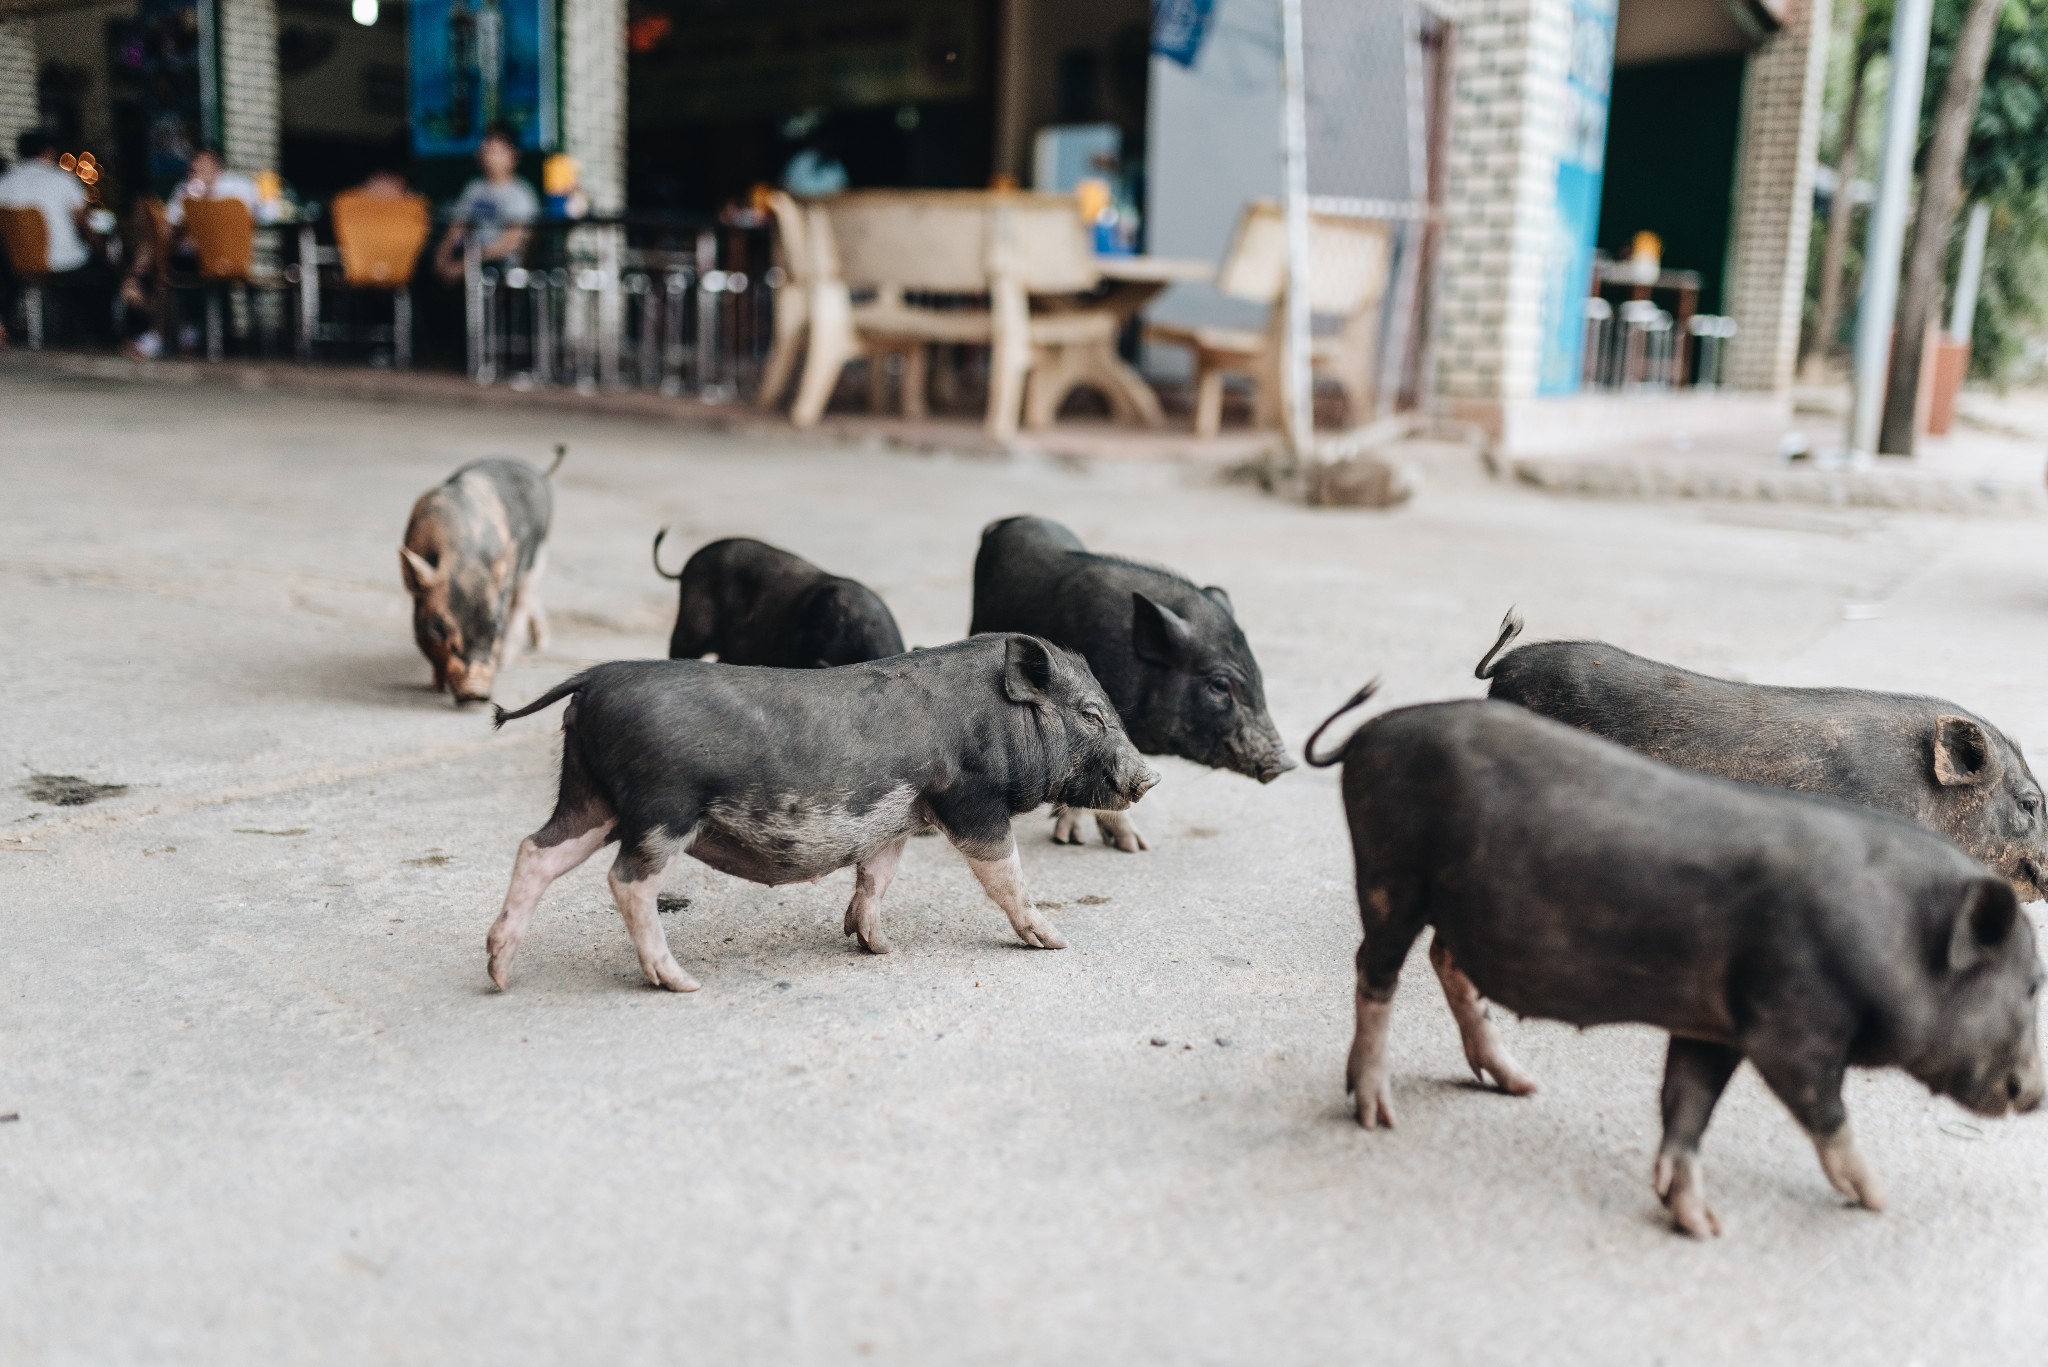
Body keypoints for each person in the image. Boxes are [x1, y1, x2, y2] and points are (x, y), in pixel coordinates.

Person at [433, 123, 538, 284]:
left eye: (497, 151)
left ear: (513, 156)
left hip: (498, 268)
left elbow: (509, 244)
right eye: (487, 149)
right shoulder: (474, 188)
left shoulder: (522, 194)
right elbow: (457, 227)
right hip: (468, 261)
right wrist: (441, 259)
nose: (489, 156)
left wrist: (465, 264)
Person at [0, 130, 93, 274]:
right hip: (63, 262)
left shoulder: (4, 182)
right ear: (48, 151)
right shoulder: (63, 179)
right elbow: (83, 223)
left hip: (18, 262)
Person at [164, 144, 258, 225]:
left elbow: (253, 215)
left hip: (231, 242)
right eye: (193, 169)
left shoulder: (238, 185)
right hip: (193, 244)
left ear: (216, 165)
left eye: (202, 166)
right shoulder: (185, 187)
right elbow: (172, 218)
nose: (195, 165)